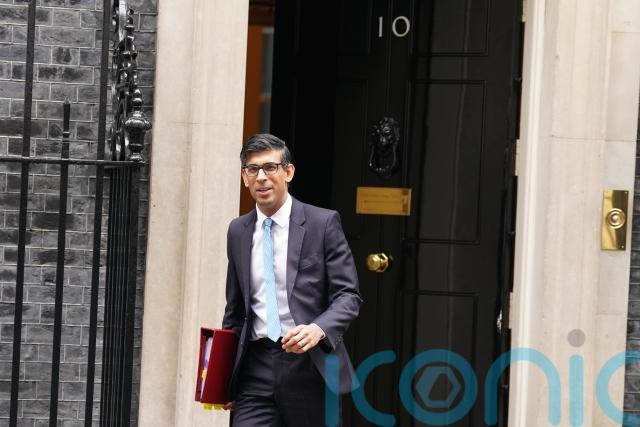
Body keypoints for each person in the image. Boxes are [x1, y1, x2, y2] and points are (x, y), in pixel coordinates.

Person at [222, 133, 362, 426]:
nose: (261, 177)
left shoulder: (322, 223)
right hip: (255, 368)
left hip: (310, 366)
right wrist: (226, 379)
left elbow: (348, 296)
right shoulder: (238, 231)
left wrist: (317, 329)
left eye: (270, 167)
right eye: (253, 169)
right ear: (245, 177)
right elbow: (234, 312)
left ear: (288, 172)